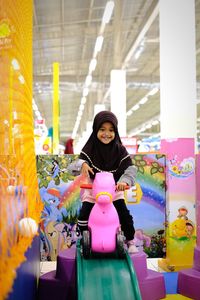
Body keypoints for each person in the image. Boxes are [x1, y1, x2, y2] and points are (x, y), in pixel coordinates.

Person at [75, 110, 138, 253]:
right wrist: (82, 164)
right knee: (84, 215)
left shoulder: (120, 150)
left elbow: (131, 169)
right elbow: (73, 167)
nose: (106, 133)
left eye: (111, 130)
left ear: (115, 131)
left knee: (124, 214)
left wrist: (125, 181)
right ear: (96, 130)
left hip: (114, 190)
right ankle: (85, 238)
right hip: (93, 191)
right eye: (102, 129)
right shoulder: (89, 149)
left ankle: (130, 240)